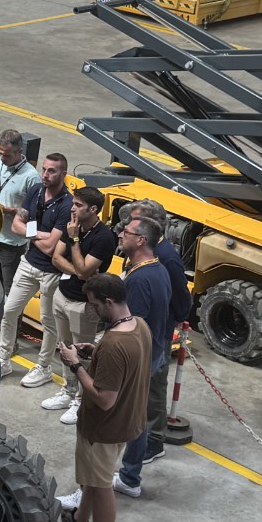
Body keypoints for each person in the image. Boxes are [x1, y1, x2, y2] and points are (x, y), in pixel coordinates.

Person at [54, 272, 150, 522]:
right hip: (127, 421)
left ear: (109, 302)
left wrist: (75, 364)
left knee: (100, 484)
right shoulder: (139, 327)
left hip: (103, 427)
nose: (92, 310)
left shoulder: (112, 345)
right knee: (94, 479)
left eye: (95, 305)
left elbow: (104, 398)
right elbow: (125, 367)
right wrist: (95, 355)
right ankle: (80, 521)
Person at [111, 199, 191, 492]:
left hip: (150, 343)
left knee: (148, 398)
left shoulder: (162, 260)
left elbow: (140, 321)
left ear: (146, 232)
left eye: (131, 226)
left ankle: (152, 444)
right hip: (154, 339)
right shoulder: (148, 260)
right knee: (144, 402)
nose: (122, 230)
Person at [41, 186, 119, 425]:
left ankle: (81, 399)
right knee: (65, 349)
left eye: (77, 205)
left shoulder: (104, 237)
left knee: (83, 355)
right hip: (62, 295)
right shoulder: (72, 224)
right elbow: (57, 258)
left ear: (93, 209)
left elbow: (86, 272)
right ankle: (68, 391)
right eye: (73, 204)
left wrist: (74, 240)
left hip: (84, 305)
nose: (72, 208)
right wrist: (80, 271)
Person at [1, 152, 72, 380]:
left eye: (51, 171)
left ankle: (44, 367)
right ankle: (3, 360)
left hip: (51, 272)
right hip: (28, 263)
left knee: (48, 322)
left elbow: (52, 248)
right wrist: (41, 234)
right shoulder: (36, 191)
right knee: (9, 311)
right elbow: (16, 226)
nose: (45, 174)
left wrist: (32, 233)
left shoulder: (67, 204)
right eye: (44, 169)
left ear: (63, 173)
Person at [0, 130, 40, 295]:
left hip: (10, 244)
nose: (2, 158)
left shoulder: (31, 177)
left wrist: (11, 211)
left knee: (10, 291)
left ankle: (12, 321)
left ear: (19, 152)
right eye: (0, 153)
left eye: (6, 155)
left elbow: (35, 215)